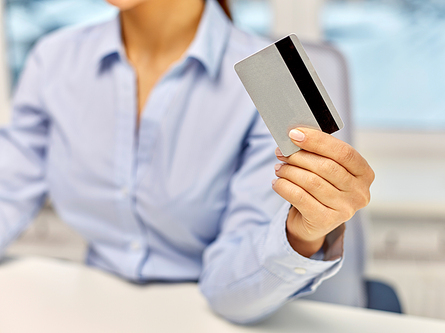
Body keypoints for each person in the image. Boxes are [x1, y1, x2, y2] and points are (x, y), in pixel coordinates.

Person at [0, 0, 374, 324]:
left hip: (210, 315)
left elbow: (231, 293)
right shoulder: (53, 61)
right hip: (94, 308)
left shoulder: (269, 86)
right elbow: (7, 194)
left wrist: (303, 233)